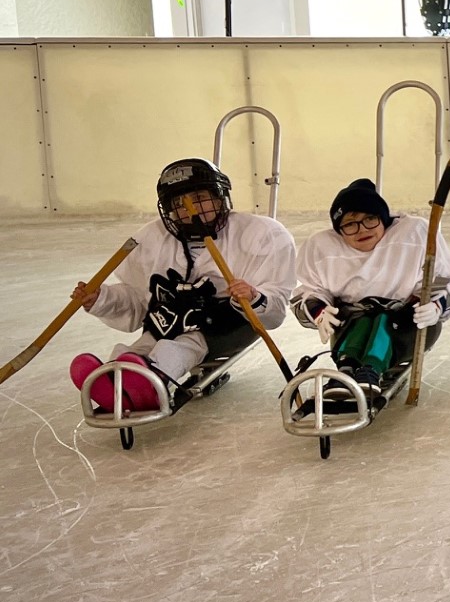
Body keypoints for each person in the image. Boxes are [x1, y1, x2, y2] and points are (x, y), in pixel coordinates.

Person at [68, 158, 296, 413]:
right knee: (148, 340)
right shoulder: (149, 239)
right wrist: (100, 298)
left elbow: (274, 307)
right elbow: (138, 298)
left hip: (225, 324)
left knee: (184, 344)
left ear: (220, 198)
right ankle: (118, 377)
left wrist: (253, 296)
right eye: (179, 203)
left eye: (200, 197)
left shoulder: (262, 233)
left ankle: (153, 380)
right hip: (168, 319)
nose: (191, 209)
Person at [291, 179, 450, 410]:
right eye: (350, 224)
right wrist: (319, 311)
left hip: (408, 325)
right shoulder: (321, 246)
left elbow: (447, 281)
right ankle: (346, 370)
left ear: (383, 218)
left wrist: (437, 306)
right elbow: (309, 290)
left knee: (382, 319)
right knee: (363, 319)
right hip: (351, 324)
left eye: (370, 219)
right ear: (338, 228)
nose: (362, 230)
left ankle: (370, 370)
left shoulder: (415, 233)